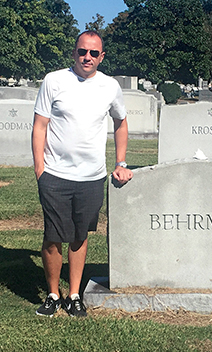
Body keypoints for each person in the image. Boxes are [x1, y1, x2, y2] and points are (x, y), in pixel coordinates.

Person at [32, 30, 133, 317]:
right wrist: (40, 168)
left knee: (79, 236)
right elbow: (40, 126)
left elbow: (121, 123)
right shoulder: (54, 80)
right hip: (54, 173)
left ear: (101, 56)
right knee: (53, 236)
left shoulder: (110, 86)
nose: (86, 57)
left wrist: (121, 163)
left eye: (93, 53)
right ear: (74, 52)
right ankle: (53, 293)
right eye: (82, 51)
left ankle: (74, 294)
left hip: (91, 177)